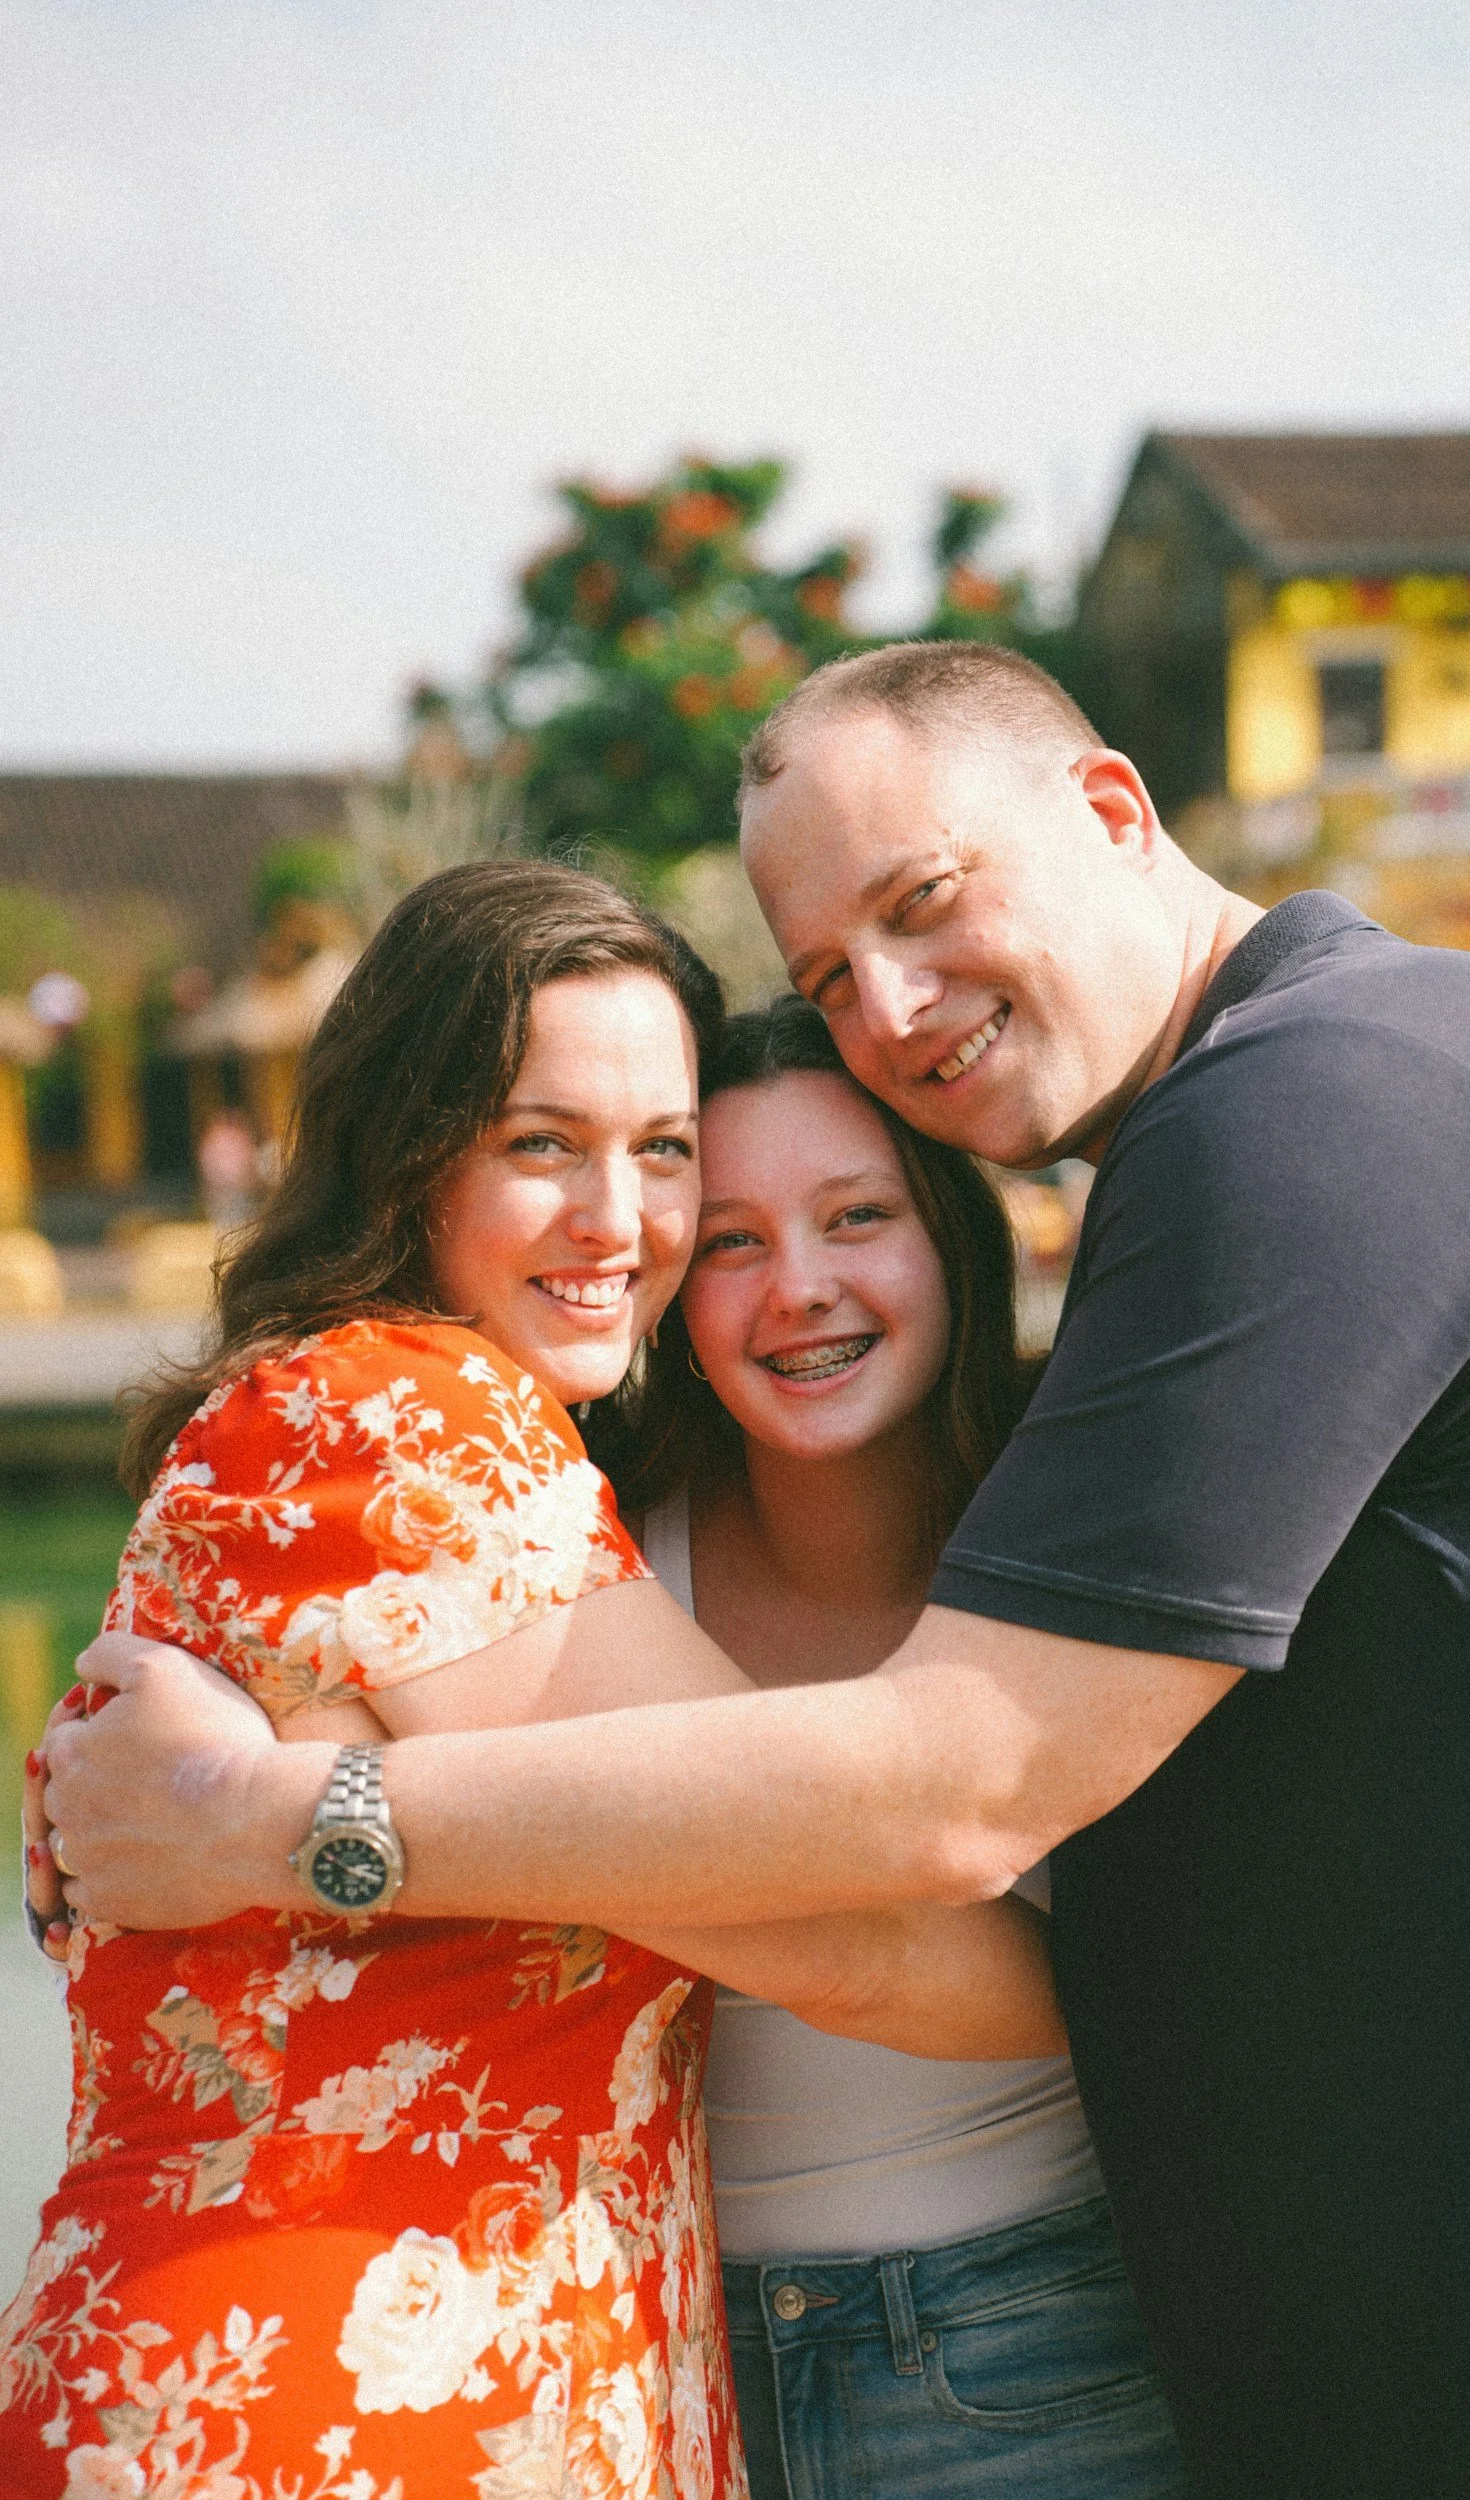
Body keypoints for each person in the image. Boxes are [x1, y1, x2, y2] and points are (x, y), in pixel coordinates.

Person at [39, 641, 1470, 2499]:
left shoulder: (1313, 1106)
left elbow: (954, 1787)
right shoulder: (464, 1444)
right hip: (487, 2364)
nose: (889, 1008)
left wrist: (271, 1818)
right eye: (824, 974)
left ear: (1111, 810)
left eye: (923, 903)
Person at [4, 857, 1061, 2500]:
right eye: (539, 1145)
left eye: (659, 1154)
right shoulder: (408, 1427)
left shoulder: (375, 1425)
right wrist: (1159, 2014)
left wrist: (260, 1815)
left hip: (397, 2376)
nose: (615, 1221)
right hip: (334, 2399)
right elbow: (850, 1914)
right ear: (407, 1156)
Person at [589, 994, 1188, 2500]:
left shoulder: (1106, 1518)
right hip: (650, 2364)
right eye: (728, 1240)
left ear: (950, 1242)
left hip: (1036, 2350)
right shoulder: (583, 1548)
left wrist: (309, 1814)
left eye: (856, 1218)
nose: (798, 1289)